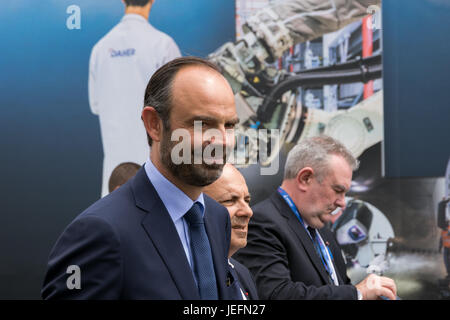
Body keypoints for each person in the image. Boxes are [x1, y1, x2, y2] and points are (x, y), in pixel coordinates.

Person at [42, 57, 241, 299]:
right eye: (202, 124)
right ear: (154, 124)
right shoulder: (100, 232)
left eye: (229, 125)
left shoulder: (216, 217)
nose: (221, 141)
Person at [234, 135, 397, 300]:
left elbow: (339, 286)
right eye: (338, 190)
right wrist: (358, 294)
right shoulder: (262, 223)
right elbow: (277, 295)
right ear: (305, 178)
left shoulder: (321, 231)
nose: (342, 203)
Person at [89, 0, 181, 197]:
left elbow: (95, 104)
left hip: (114, 180)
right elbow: (179, 106)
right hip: (156, 175)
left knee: (114, 223)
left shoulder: (100, 49)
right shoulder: (163, 45)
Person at [203, 163, 258, 300]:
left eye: (247, 200)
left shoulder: (242, 273)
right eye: (230, 201)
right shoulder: (188, 276)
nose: (248, 212)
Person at [438, 196, 450, 279]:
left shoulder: (446, 228)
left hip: (447, 248)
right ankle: (448, 273)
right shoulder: (444, 230)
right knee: (446, 261)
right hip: (446, 248)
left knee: (446, 260)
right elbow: (441, 240)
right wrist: (439, 248)